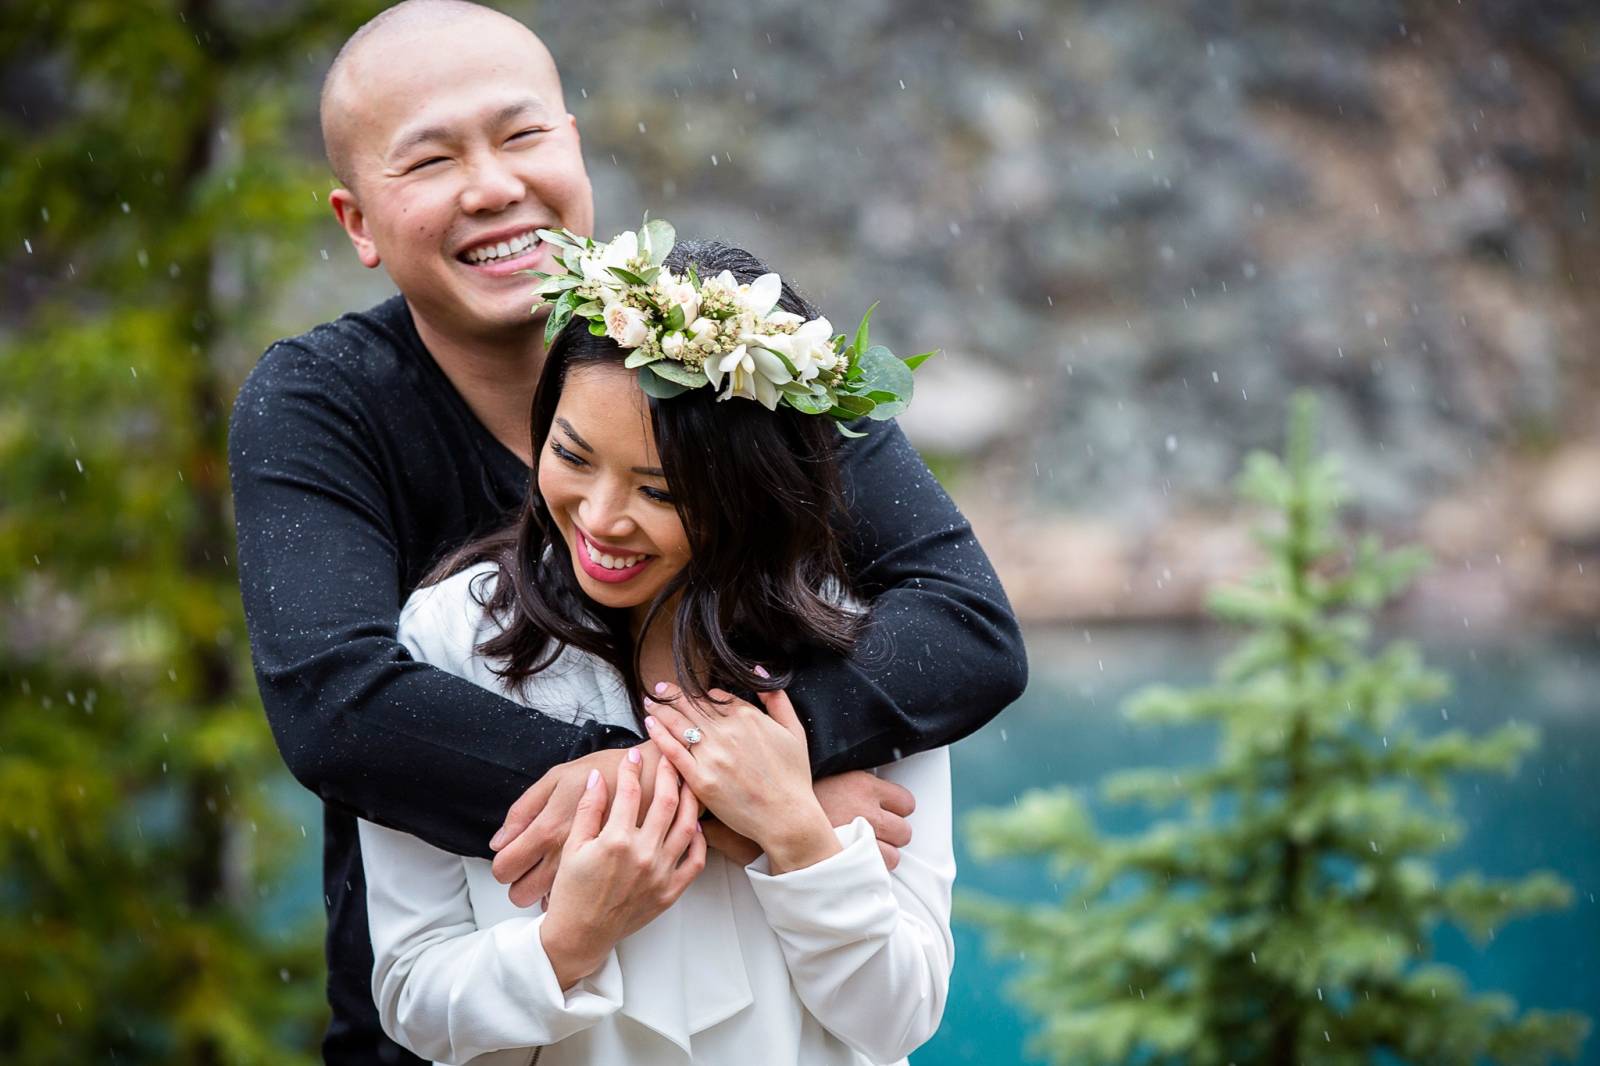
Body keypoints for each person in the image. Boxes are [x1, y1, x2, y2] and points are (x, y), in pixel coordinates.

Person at [226, 2, 1024, 1061]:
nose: (492, 185)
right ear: (358, 221)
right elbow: (338, 706)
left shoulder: (737, 359)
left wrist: (766, 785)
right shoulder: (323, 402)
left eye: (521, 136)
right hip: (451, 1028)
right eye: (428, 161)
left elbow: (965, 627)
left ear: (573, 145)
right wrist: (707, 799)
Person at [360, 230, 954, 1065]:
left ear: (749, 488)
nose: (600, 519)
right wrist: (570, 936)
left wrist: (796, 838)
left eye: (659, 490)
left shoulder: (864, 646)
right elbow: (413, 998)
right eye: (570, 455)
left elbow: (902, 1016)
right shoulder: (452, 637)